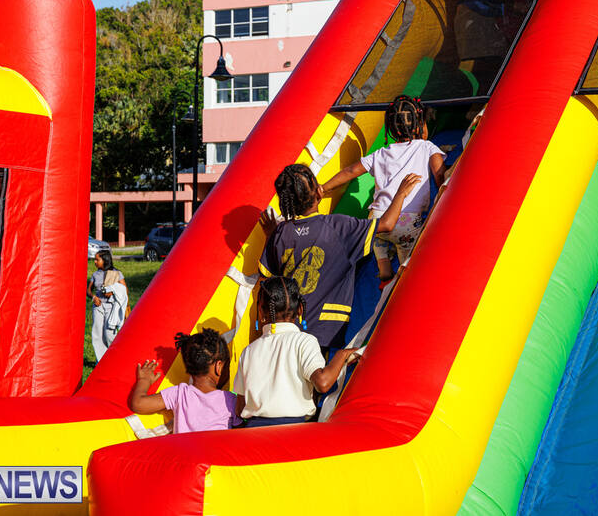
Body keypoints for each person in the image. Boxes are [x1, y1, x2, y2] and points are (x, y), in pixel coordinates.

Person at [258, 163, 420, 350]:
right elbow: (386, 224)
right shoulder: (337, 226)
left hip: (289, 326)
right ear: (318, 192)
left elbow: (267, 278)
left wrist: (271, 236)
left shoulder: (280, 233)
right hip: (326, 326)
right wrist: (400, 194)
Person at [321, 96, 447, 284]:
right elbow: (439, 175)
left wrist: (323, 188)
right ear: (419, 125)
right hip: (406, 219)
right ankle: (400, 281)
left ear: (390, 128)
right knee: (407, 259)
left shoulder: (381, 153)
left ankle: (384, 271)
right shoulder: (426, 147)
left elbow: (351, 171)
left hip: (377, 218)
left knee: (381, 242)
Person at [234, 276, 360, 427]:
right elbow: (323, 383)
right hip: (293, 432)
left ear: (261, 311)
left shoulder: (248, 351)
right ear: (300, 309)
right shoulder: (304, 342)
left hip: (253, 433)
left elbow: (239, 408)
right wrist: (342, 355)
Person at [129, 329, 240, 434]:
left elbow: (138, 404)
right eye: (227, 365)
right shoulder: (229, 400)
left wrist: (144, 380)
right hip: (216, 454)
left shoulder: (180, 393)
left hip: (183, 453)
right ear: (218, 367)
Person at [87, 250, 126, 361]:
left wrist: (113, 292)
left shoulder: (116, 273)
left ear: (105, 260)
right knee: (97, 333)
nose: (94, 262)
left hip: (111, 306)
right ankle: (101, 361)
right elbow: (89, 289)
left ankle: (116, 357)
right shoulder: (95, 274)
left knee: (109, 333)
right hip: (98, 306)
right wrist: (94, 297)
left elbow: (124, 290)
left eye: (97, 259)